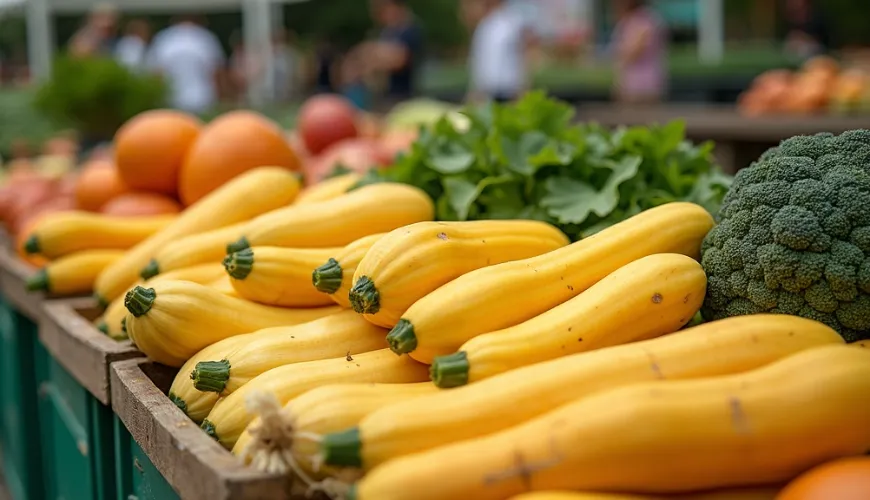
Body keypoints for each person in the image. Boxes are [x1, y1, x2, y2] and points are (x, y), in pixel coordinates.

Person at [146, 15, 226, 114]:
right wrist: (221, 98)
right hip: (202, 98)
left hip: (172, 99)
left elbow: (157, 74)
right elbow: (216, 73)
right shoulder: (205, 38)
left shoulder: (164, 38)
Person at [356, 0, 424, 106]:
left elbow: (400, 60)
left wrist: (374, 58)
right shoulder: (386, 32)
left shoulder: (409, 29)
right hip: (384, 96)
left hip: (402, 96)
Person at [467, 0, 535, 103]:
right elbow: (480, 60)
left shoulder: (513, 22)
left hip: (509, 89)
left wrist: (523, 86)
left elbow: (524, 54)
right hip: (488, 88)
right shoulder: (484, 25)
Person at [611, 0, 668, 104]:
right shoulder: (629, 20)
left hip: (643, 86)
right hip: (630, 84)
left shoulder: (644, 20)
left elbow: (634, 53)